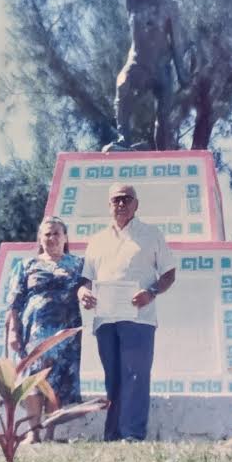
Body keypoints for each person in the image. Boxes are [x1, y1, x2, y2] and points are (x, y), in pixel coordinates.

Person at [78, 183, 176, 441]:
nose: (121, 203)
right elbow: (86, 280)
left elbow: (169, 274)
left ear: (136, 204)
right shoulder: (97, 240)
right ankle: (112, 434)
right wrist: (83, 293)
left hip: (139, 318)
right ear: (109, 204)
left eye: (127, 199)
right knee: (113, 377)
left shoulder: (151, 234)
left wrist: (151, 292)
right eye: (116, 199)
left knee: (135, 375)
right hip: (105, 319)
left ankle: (132, 434)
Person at [6, 216, 83, 442]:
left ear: (65, 237)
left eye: (56, 233)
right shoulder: (26, 265)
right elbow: (14, 302)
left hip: (66, 333)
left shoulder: (78, 264)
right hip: (33, 333)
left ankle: (50, 432)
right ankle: (33, 433)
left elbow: (86, 288)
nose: (52, 238)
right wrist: (13, 331)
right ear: (40, 238)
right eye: (47, 234)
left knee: (58, 381)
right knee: (33, 379)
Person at [113, 0, 188, 150]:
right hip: (137, 63)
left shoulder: (170, 6)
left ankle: (162, 152)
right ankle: (123, 140)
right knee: (122, 86)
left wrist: (182, 74)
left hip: (161, 68)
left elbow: (177, 42)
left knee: (163, 117)